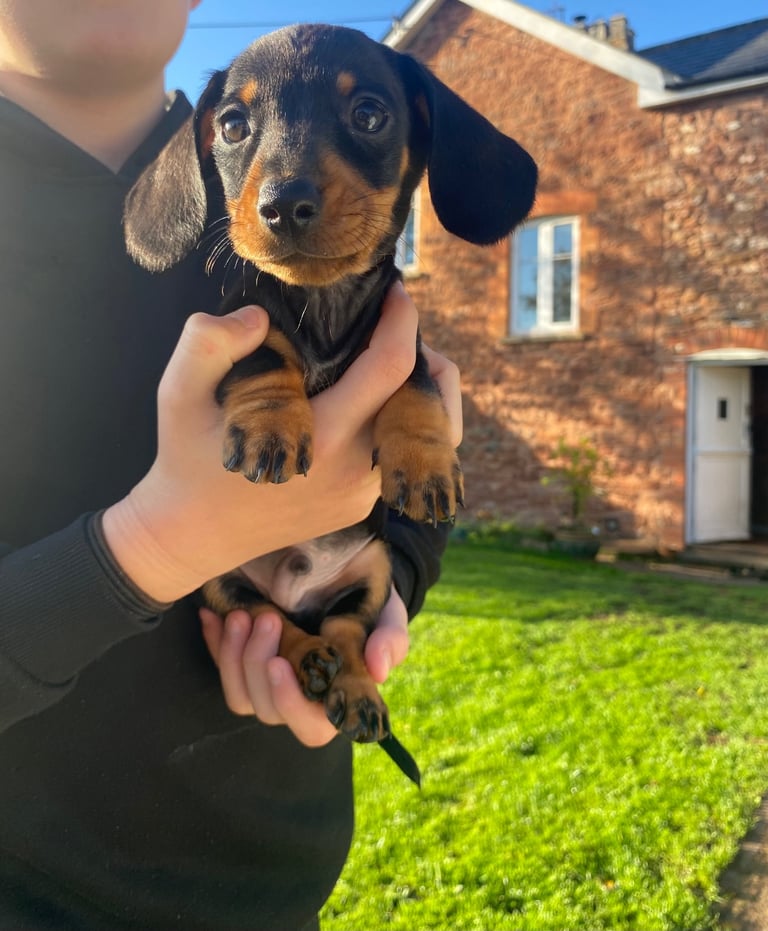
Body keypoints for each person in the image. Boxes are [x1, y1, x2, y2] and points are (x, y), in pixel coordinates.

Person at [0, 2, 462, 929]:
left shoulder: (279, 196)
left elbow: (395, 478)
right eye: (241, 128)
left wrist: (394, 576)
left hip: (278, 884)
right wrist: (155, 546)